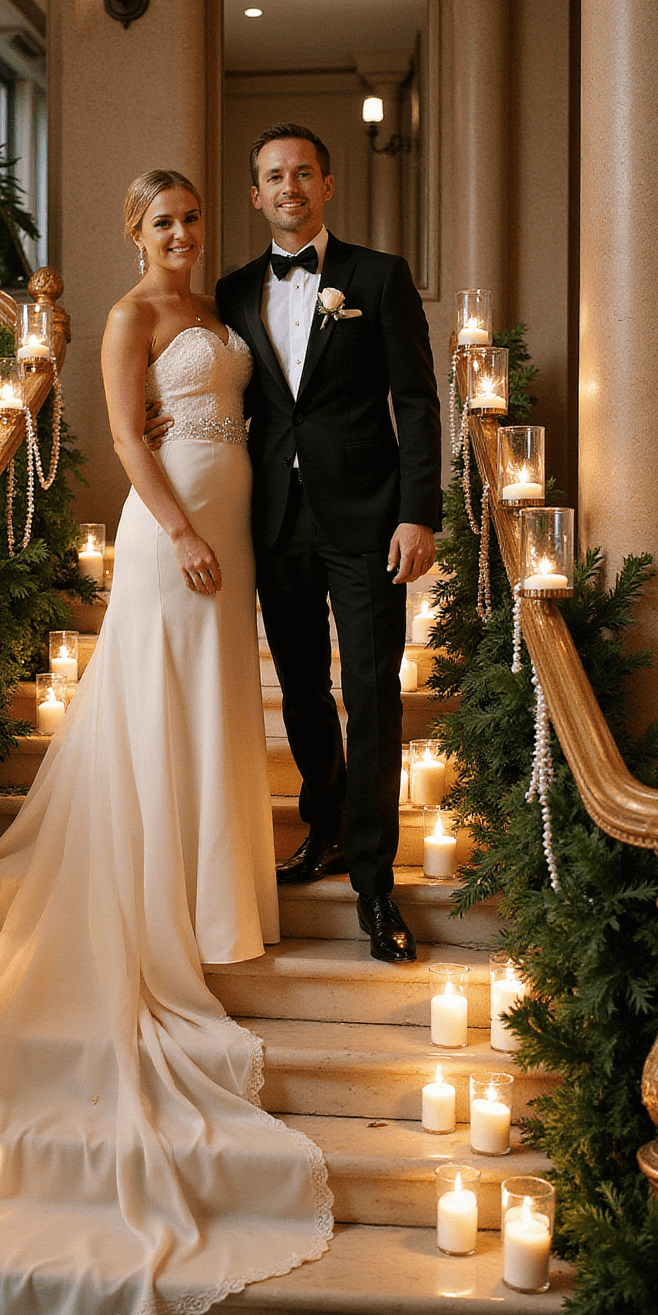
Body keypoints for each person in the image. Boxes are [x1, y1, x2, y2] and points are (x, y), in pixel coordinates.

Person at [0, 170, 332, 1315]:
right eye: (161, 223)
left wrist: (224, 524)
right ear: (132, 232)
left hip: (231, 521)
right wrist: (183, 531)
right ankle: (160, 897)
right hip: (175, 528)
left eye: (191, 220)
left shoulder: (220, 313)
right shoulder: (135, 316)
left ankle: (213, 885)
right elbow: (127, 440)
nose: (181, 236)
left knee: (213, 707)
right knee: (157, 705)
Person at [216, 124, 441, 963]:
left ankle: (376, 889)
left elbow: (417, 402)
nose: (289, 188)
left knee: (373, 695)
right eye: (273, 176)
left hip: (370, 519)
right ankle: (325, 830)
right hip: (273, 518)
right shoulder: (232, 290)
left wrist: (418, 513)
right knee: (304, 691)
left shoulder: (377, 278)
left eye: (303, 173)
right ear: (255, 194)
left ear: (328, 184)